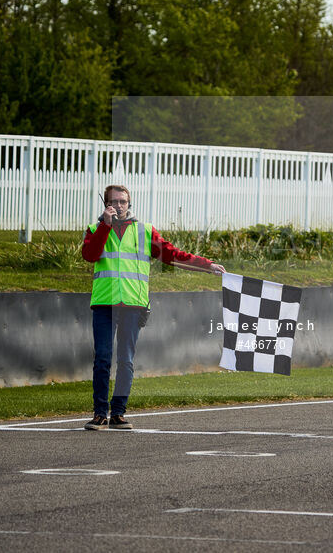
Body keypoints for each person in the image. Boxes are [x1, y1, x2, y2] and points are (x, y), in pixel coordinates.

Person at [81, 184, 226, 430]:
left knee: (125, 360)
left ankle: (118, 412)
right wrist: (105, 225)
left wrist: (208, 265)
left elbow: (173, 255)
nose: (118, 206)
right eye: (113, 202)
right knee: (103, 359)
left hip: (133, 305)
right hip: (104, 304)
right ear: (106, 205)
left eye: (123, 202)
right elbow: (90, 255)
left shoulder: (144, 231)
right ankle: (99, 413)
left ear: (129, 204)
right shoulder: (95, 229)